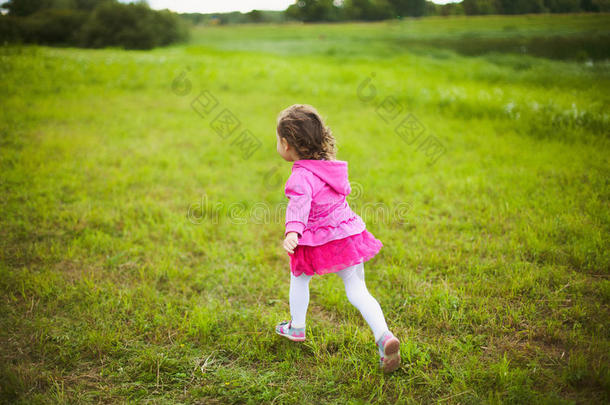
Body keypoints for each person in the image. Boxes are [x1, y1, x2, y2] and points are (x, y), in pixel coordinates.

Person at [273, 104, 401, 373]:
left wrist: (293, 232)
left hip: (318, 239)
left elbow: (299, 205)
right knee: (357, 289)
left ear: (285, 144)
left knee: (299, 276)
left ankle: (297, 326)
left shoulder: (300, 176)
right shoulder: (331, 167)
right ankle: (384, 336)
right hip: (348, 233)